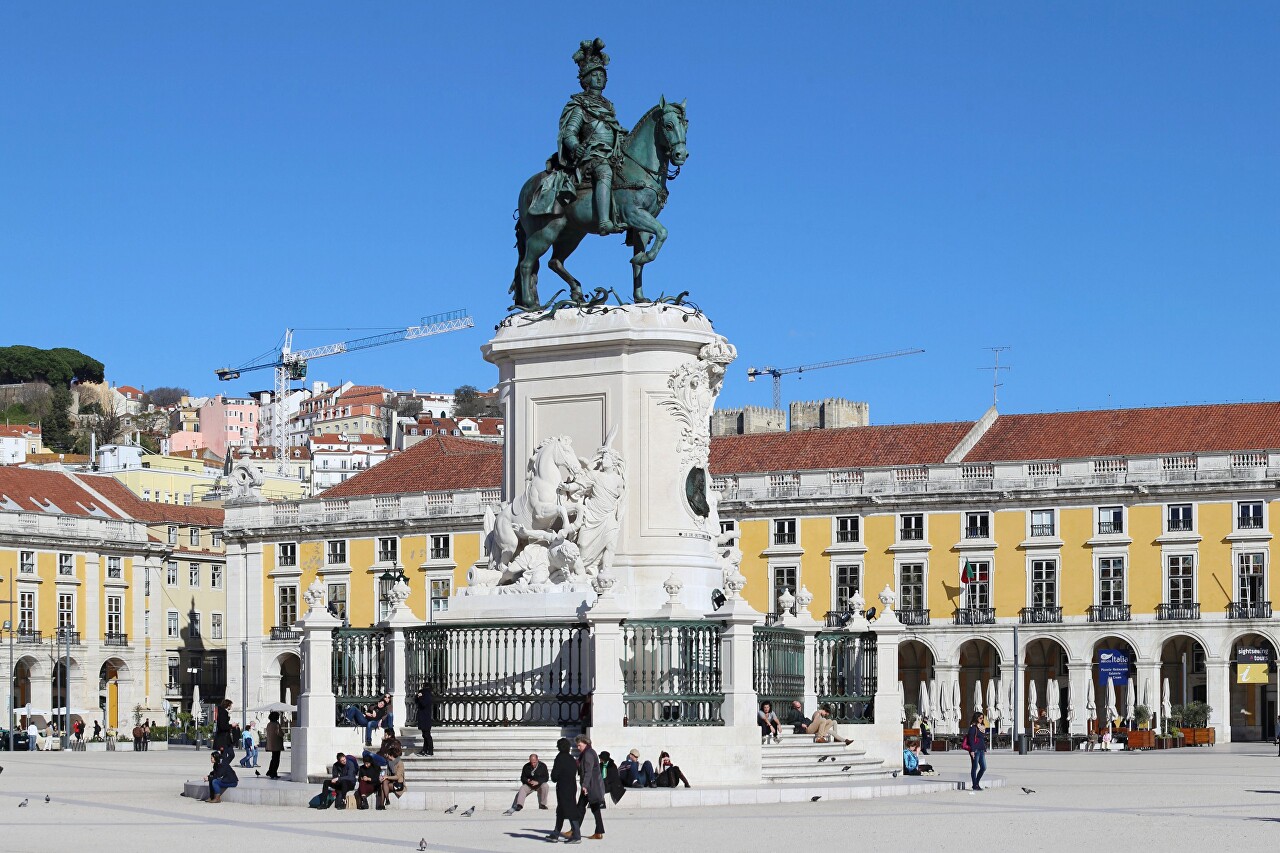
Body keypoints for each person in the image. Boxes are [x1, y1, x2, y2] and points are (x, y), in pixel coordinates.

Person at [548, 737, 583, 844]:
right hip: (572, 786)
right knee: (561, 810)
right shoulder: (572, 759)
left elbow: (554, 776)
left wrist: (555, 777)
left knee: (569, 810)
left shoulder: (559, 758)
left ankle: (576, 835)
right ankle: (556, 833)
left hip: (563, 787)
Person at [575, 735, 606, 841]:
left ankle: (575, 830)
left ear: (585, 743)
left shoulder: (588, 754)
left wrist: (584, 786)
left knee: (580, 808)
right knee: (595, 809)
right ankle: (599, 832)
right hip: (592, 785)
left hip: (589, 786)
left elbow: (588, 771)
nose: (578, 748)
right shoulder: (589, 752)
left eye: (579, 745)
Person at [965, 712, 988, 792]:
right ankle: (975, 785)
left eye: (982, 718)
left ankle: (976, 783)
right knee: (974, 767)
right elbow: (971, 740)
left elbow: (982, 740)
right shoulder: (973, 728)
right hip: (975, 750)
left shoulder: (981, 728)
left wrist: (984, 749)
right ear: (976, 718)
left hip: (981, 749)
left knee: (984, 767)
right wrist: (972, 750)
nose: (982, 720)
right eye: (980, 718)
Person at [414, 684, 434, 756]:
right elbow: (416, 701)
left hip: (425, 718)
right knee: (425, 735)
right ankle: (425, 750)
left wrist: (420, 697)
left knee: (427, 735)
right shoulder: (425, 694)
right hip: (423, 717)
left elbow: (423, 703)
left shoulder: (427, 695)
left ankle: (430, 750)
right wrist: (418, 696)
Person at [264, 712, 284, 780]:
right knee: (276, 759)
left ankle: (270, 771)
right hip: (277, 743)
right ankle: (273, 772)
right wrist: (282, 734)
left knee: (273, 758)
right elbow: (280, 733)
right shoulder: (276, 724)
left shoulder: (269, 724)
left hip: (271, 743)